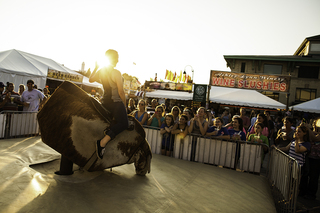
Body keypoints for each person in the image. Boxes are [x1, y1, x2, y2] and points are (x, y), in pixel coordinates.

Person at [89, 49, 128, 160]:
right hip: (115, 103)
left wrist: (96, 67)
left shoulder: (101, 71)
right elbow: (121, 92)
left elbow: (91, 79)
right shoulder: (116, 72)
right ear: (114, 59)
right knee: (124, 123)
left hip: (105, 103)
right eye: (117, 57)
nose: (118, 60)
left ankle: (108, 134)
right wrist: (124, 106)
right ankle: (102, 143)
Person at [275, 124, 311, 196]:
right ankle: (287, 197)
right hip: (289, 165)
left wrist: (297, 140)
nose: (297, 133)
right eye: (296, 131)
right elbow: (286, 148)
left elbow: (298, 150)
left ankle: (292, 200)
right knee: (288, 183)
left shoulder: (306, 144)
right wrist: (276, 148)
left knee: (295, 185)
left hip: (298, 167)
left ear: (304, 133)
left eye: (299, 132)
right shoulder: (294, 141)